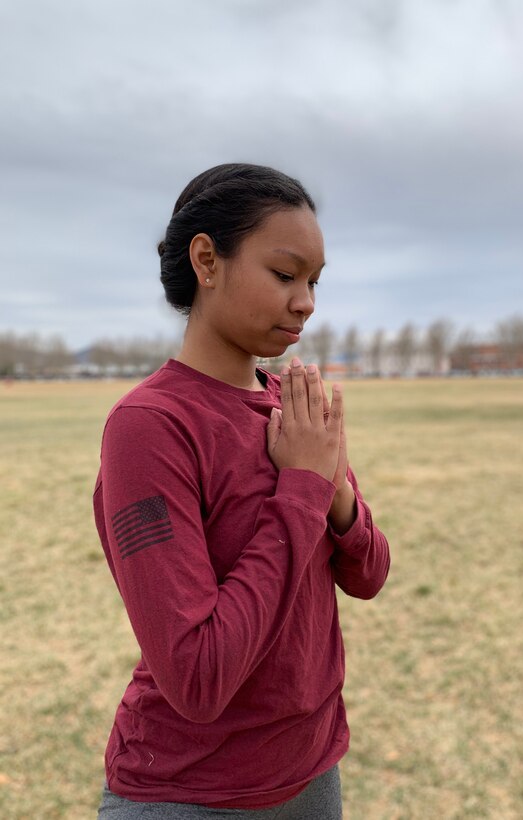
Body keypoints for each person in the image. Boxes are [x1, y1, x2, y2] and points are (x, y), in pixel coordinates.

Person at [94, 163, 390, 819]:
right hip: (191, 791)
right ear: (206, 260)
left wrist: (332, 489)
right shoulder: (148, 428)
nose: (306, 301)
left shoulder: (293, 404)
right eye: (285, 275)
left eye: (314, 281)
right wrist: (302, 489)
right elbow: (198, 677)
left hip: (311, 769)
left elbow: (368, 574)